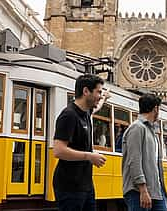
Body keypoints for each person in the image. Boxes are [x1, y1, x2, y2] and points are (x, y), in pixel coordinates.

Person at [52, 74, 109, 211]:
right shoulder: (69, 115)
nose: (100, 96)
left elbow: (97, 107)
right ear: (85, 91)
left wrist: (105, 97)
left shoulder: (86, 113)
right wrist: (89, 156)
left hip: (86, 185)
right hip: (70, 187)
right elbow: (58, 150)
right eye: (98, 92)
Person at [122, 93, 167, 211]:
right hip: (138, 191)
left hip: (156, 190)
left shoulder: (151, 130)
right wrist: (143, 189)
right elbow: (134, 161)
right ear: (156, 109)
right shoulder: (137, 128)